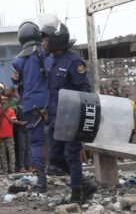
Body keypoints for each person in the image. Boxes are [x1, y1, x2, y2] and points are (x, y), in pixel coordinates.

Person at [41, 19, 97, 204]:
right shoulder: (50, 61)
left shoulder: (74, 61)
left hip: (71, 117)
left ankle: (77, 195)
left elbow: (85, 90)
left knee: (72, 156)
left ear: (56, 40)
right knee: (56, 158)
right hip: (55, 119)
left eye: (45, 39)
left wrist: (81, 117)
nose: (43, 43)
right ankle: (85, 184)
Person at [11, 21, 51, 193]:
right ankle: (75, 178)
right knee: (59, 140)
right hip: (49, 103)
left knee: (35, 144)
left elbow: (14, 81)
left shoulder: (17, 60)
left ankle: (42, 183)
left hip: (29, 106)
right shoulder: (45, 54)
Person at [14, 85, 33, 173]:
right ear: (20, 93)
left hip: (29, 128)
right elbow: (13, 117)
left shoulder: (30, 102)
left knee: (29, 148)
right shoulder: (16, 104)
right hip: (20, 129)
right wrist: (19, 122)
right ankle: (21, 166)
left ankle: (29, 166)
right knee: (22, 148)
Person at [0, 98, 16, 174]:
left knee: (11, 153)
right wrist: (1, 114)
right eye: (2, 104)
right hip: (1, 136)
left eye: (5, 103)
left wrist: (5, 114)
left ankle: (12, 169)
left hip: (9, 136)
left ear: (8, 104)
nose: (3, 105)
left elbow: (12, 122)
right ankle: (5, 169)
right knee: (3, 154)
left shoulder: (11, 112)